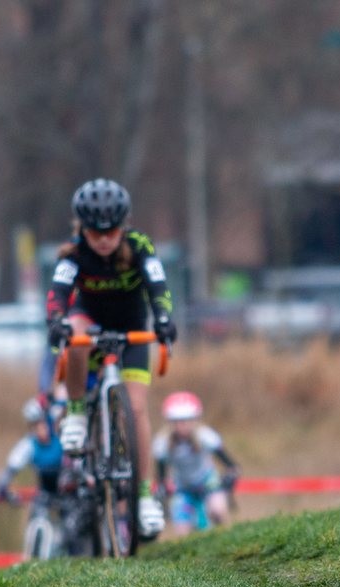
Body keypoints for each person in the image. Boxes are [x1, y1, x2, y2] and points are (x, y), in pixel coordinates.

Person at [46, 178, 176, 540]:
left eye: (112, 231)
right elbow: (57, 294)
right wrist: (54, 322)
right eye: (94, 232)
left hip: (132, 330)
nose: (103, 240)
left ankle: (146, 495)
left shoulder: (139, 247)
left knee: (136, 411)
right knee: (75, 333)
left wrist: (164, 318)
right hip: (91, 322)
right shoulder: (74, 254)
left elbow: (158, 287)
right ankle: (75, 413)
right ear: (81, 229)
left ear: (124, 226)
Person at [152, 391, 239, 537]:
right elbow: (160, 475)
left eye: (187, 420)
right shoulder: (162, 443)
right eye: (177, 421)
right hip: (182, 487)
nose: (182, 425)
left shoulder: (206, 436)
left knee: (217, 511)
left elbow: (232, 466)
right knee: (182, 532)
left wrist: (229, 478)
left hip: (208, 483)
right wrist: (161, 488)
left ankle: (228, 539)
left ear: (195, 420)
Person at [0, 396, 65, 507]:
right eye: (36, 424)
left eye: (44, 421)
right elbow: (9, 471)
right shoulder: (28, 445)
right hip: (44, 498)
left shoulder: (63, 439)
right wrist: (4, 491)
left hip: (68, 495)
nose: (42, 427)